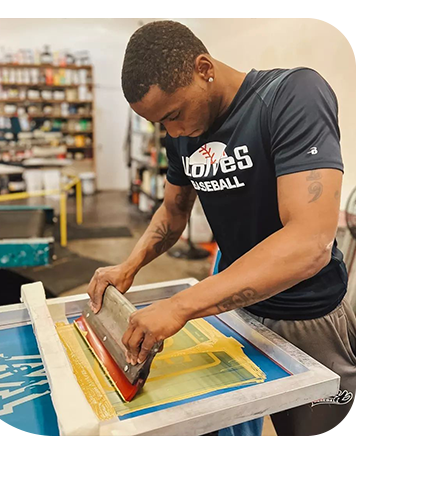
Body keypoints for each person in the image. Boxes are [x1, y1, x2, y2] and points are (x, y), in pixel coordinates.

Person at [88, 20, 356, 436]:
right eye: (162, 124)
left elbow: (310, 243)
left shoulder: (291, 96)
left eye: (174, 115)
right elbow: (172, 213)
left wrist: (179, 306)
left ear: (204, 68)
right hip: (235, 309)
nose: (174, 132)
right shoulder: (181, 134)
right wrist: (129, 265)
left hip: (306, 315)